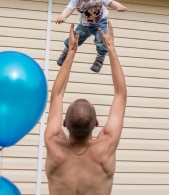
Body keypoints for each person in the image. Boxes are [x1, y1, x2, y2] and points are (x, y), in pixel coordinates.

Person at [45, 21, 127, 195]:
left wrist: (71, 52)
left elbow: (56, 95)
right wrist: (110, 48)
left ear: (64, 123)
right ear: (96, 123)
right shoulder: (106, 145)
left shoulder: (53, 143)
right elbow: (120, 94)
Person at [55, 0, 127, 73]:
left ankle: (100, 58)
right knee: (74, 38)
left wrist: (118, 6)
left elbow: (110, 2)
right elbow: (69, 8)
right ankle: (65, 52)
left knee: (101, 40)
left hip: (100, 22)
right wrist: (62, 16)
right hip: (85, 24)